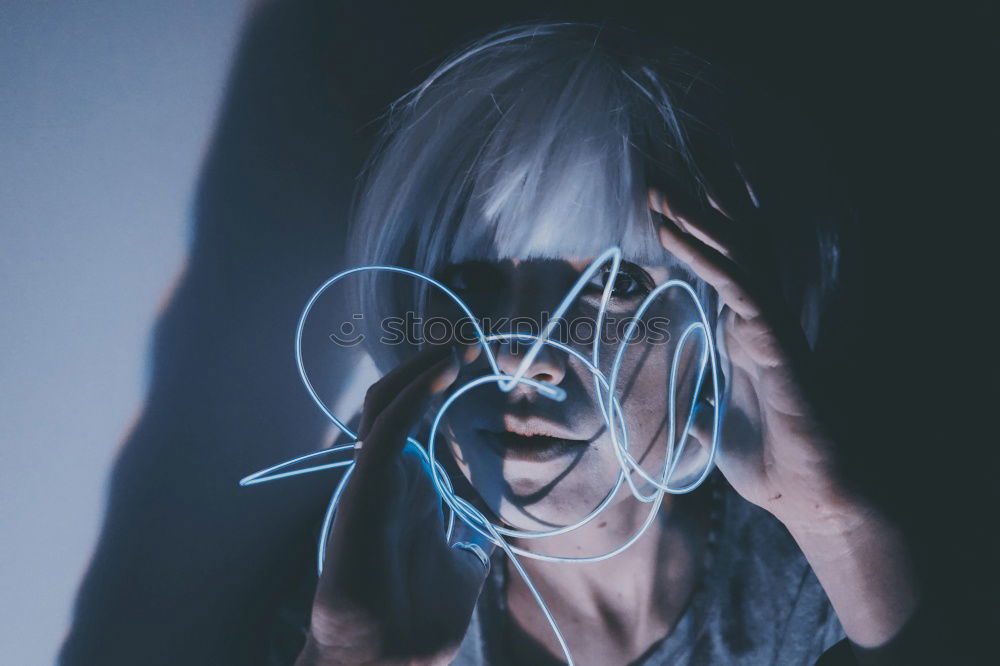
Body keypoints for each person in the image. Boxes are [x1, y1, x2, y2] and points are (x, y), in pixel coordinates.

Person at [273, 22, 929, 666]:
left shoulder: (823, 576)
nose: (522, 355)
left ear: (720, 330)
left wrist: (831, 523)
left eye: (614, 281)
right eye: (471, 281)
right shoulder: (355, 585)